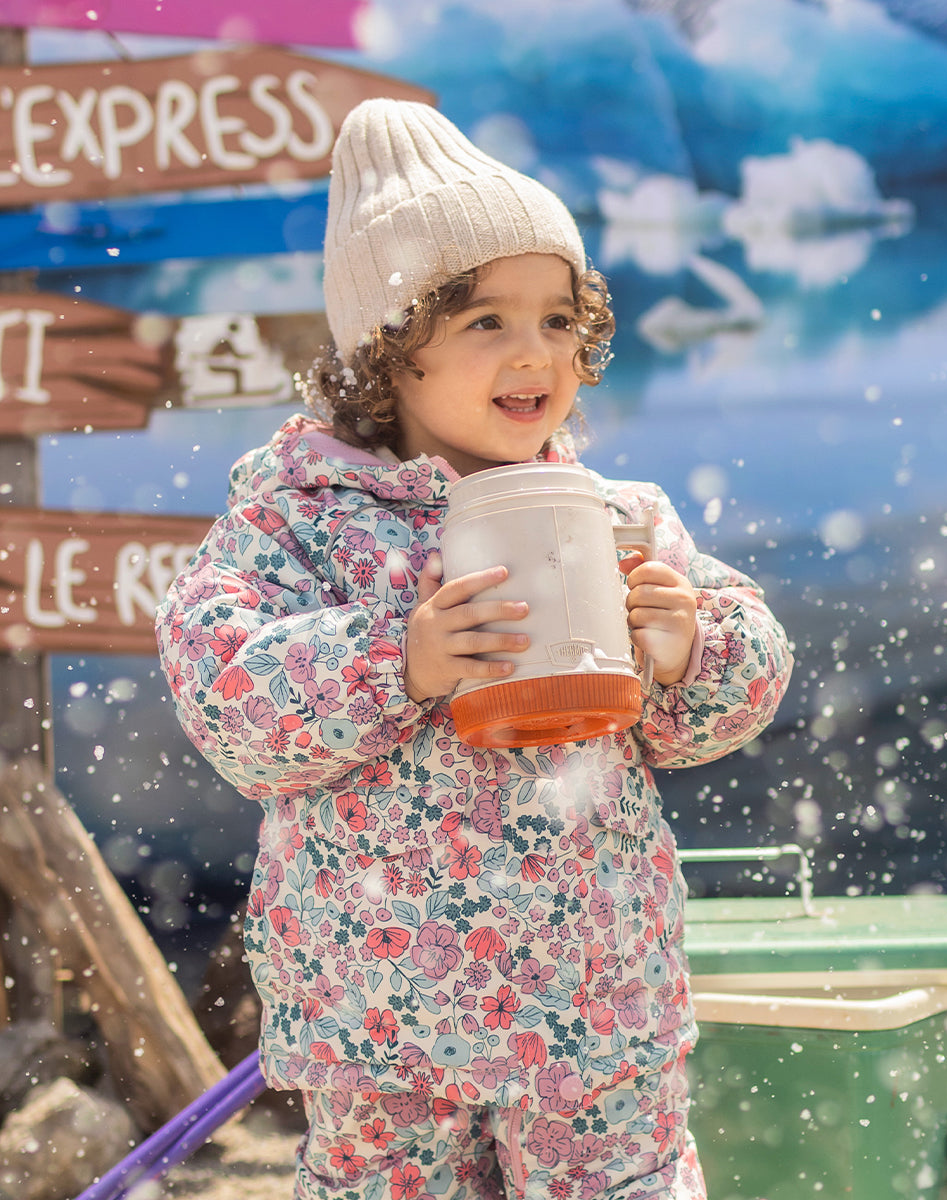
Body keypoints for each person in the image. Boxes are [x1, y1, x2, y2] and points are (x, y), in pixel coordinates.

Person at [157, 98, 793, 1200]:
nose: (534, 351)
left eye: (559, 319)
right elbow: (227, 702)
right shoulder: (299, 521)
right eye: (485, 321)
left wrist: (694, 648)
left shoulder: (617, 517)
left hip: (593, 997)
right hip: (381, 1011)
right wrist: (397, 658)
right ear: (386, 355)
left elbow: (730, 705)